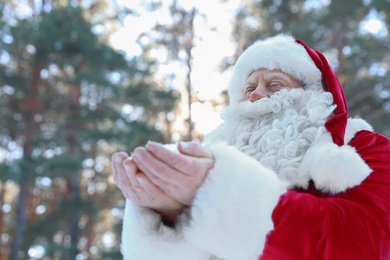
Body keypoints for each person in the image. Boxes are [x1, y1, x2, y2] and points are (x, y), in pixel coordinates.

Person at [111, 34, 390, 259]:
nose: (256, 94)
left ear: (313, 96)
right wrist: (173, 213)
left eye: (275, 85)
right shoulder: (214, 149)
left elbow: (370, 243)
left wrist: (224, 194)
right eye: (248, 88)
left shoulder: (364, 147)